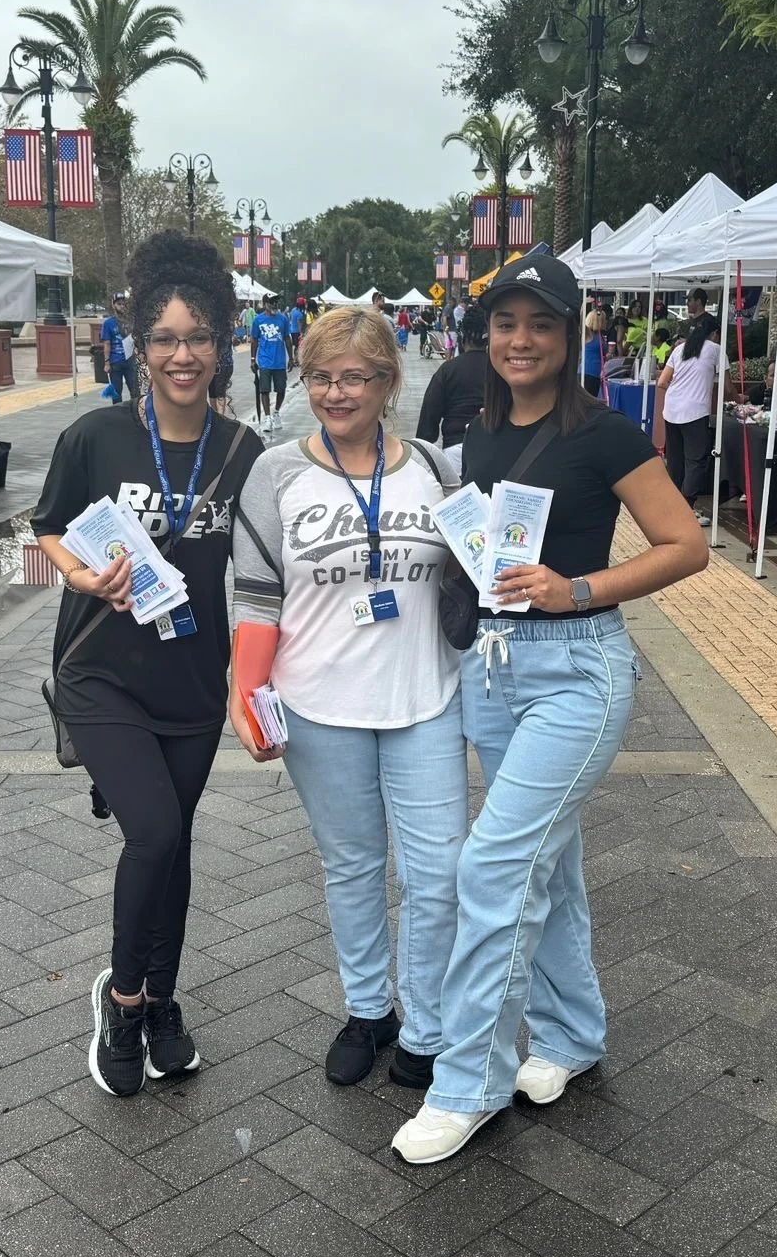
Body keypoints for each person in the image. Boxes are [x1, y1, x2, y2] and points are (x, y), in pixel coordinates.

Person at [390, 254, 709, 1165]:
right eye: (504, 324)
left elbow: (685, 546)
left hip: (578, 671)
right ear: (482, 336)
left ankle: (470, 1082)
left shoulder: (607, 434)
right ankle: (570, 1037)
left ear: (571, 336)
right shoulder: (472, 432)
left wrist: (580, 588)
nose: (519, 340)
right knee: (548, 865)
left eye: (539, 324)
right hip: (492, 674)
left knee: (492, 868)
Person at [33, 230, 262, 1097]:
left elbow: (269, 572)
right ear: (140, 347)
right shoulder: (95, 437)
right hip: (102, 674)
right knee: (154, 832)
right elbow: (47, 526)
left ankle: (164, 998)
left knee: (176, 845)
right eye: (164, 338)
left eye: (198, 337)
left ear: (223, 346)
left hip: (193, 683)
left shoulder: (244, 455)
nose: (182, 355)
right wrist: (84, 574)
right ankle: (123, 1001)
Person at [230, 306, 464, 1089]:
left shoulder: (436, 468)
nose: (336, 393)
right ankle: (369, 1010)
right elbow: (259, 599)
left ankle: (427, 1025)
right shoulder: (276, 473)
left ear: (389, 383)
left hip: (425, 698)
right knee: (353, 867)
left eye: (354, 376)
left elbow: (478, 561)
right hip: (317, 704)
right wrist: (245, 691)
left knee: (438, 873)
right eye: (321, 376)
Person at [655, 288, 723, 524]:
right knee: (696, 459)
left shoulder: (679, 350)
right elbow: (727, 385)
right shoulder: (715, 350)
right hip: (695, 411)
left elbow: (662, 382)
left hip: (672, 409)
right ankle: (687, 508)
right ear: (714, 334)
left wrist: (681, 389)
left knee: (675, 458)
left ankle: (674, 505)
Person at [416, 304, 490, 474]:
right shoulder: (502, 370)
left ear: (462, 339)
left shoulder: (447, 370)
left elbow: (429, 415)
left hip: (455, 450)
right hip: (494, 447)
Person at [250, 297, 291, 424]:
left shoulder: (283, 319)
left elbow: (287, 338)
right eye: (272, 305)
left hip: (279, 362)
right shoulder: (258, 320)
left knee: (281, 389)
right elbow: (254, 340)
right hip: (264, 361)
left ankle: (276, 412)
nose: (274, 307)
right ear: (266, 305)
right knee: (264, 390)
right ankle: (267, 417)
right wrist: (252, 359)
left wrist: (291, 358)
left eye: (276, 305)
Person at [101, 294, 136, 404]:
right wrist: (107, 363)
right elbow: (107, 343)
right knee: (116, 393)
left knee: (135, 390)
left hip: (130, 360)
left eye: (123, 304)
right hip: (115, 361)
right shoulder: (108, 323)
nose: (122, 306)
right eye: (119, 304)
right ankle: (118, 414)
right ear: (114, 305)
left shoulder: (131, 321)